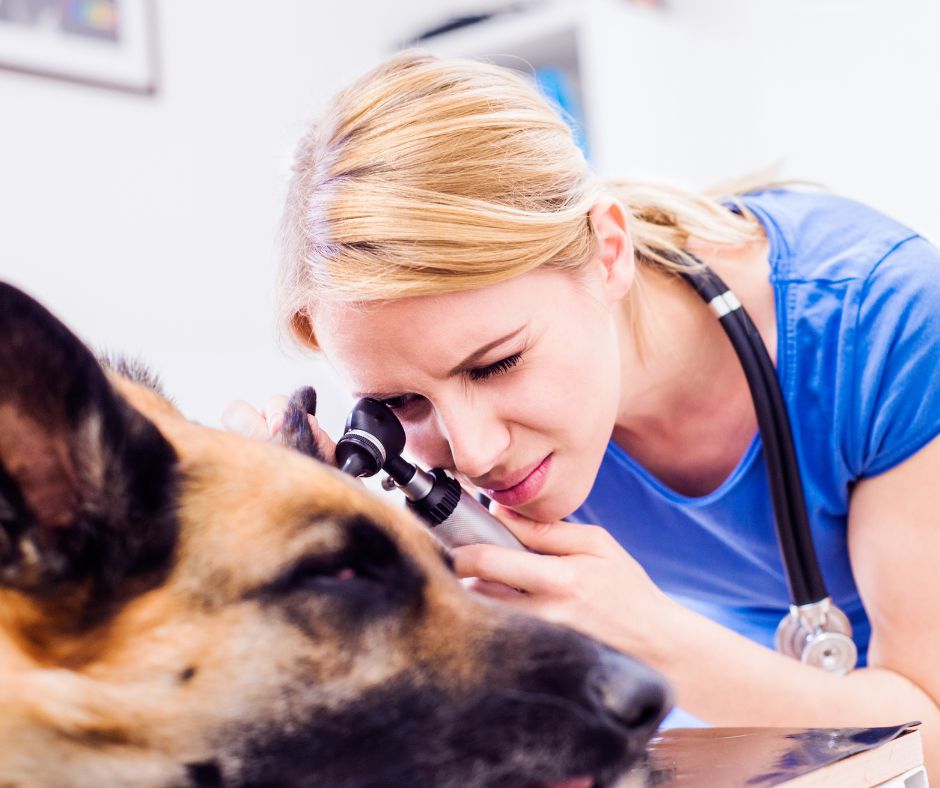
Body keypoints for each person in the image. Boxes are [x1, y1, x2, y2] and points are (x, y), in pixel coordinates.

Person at [223, 51, 940, 770]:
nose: (472, 453)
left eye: (497, 363)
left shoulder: (882, 323)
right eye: (401, 402)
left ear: (607, 253)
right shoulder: (477, 453)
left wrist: (648, 636)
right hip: (731, 703)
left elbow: (930, 735)